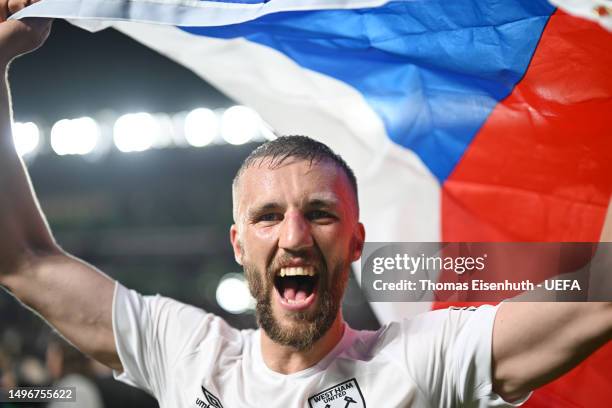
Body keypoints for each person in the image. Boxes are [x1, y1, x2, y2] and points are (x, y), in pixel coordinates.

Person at [0, 10, 611, 408]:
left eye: (320, 214)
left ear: (356, 243)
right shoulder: (188, 353)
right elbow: (22, 260)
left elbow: (601, 294)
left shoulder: (423, 360)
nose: (294, 234)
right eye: (268, 216)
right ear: (238, 243)